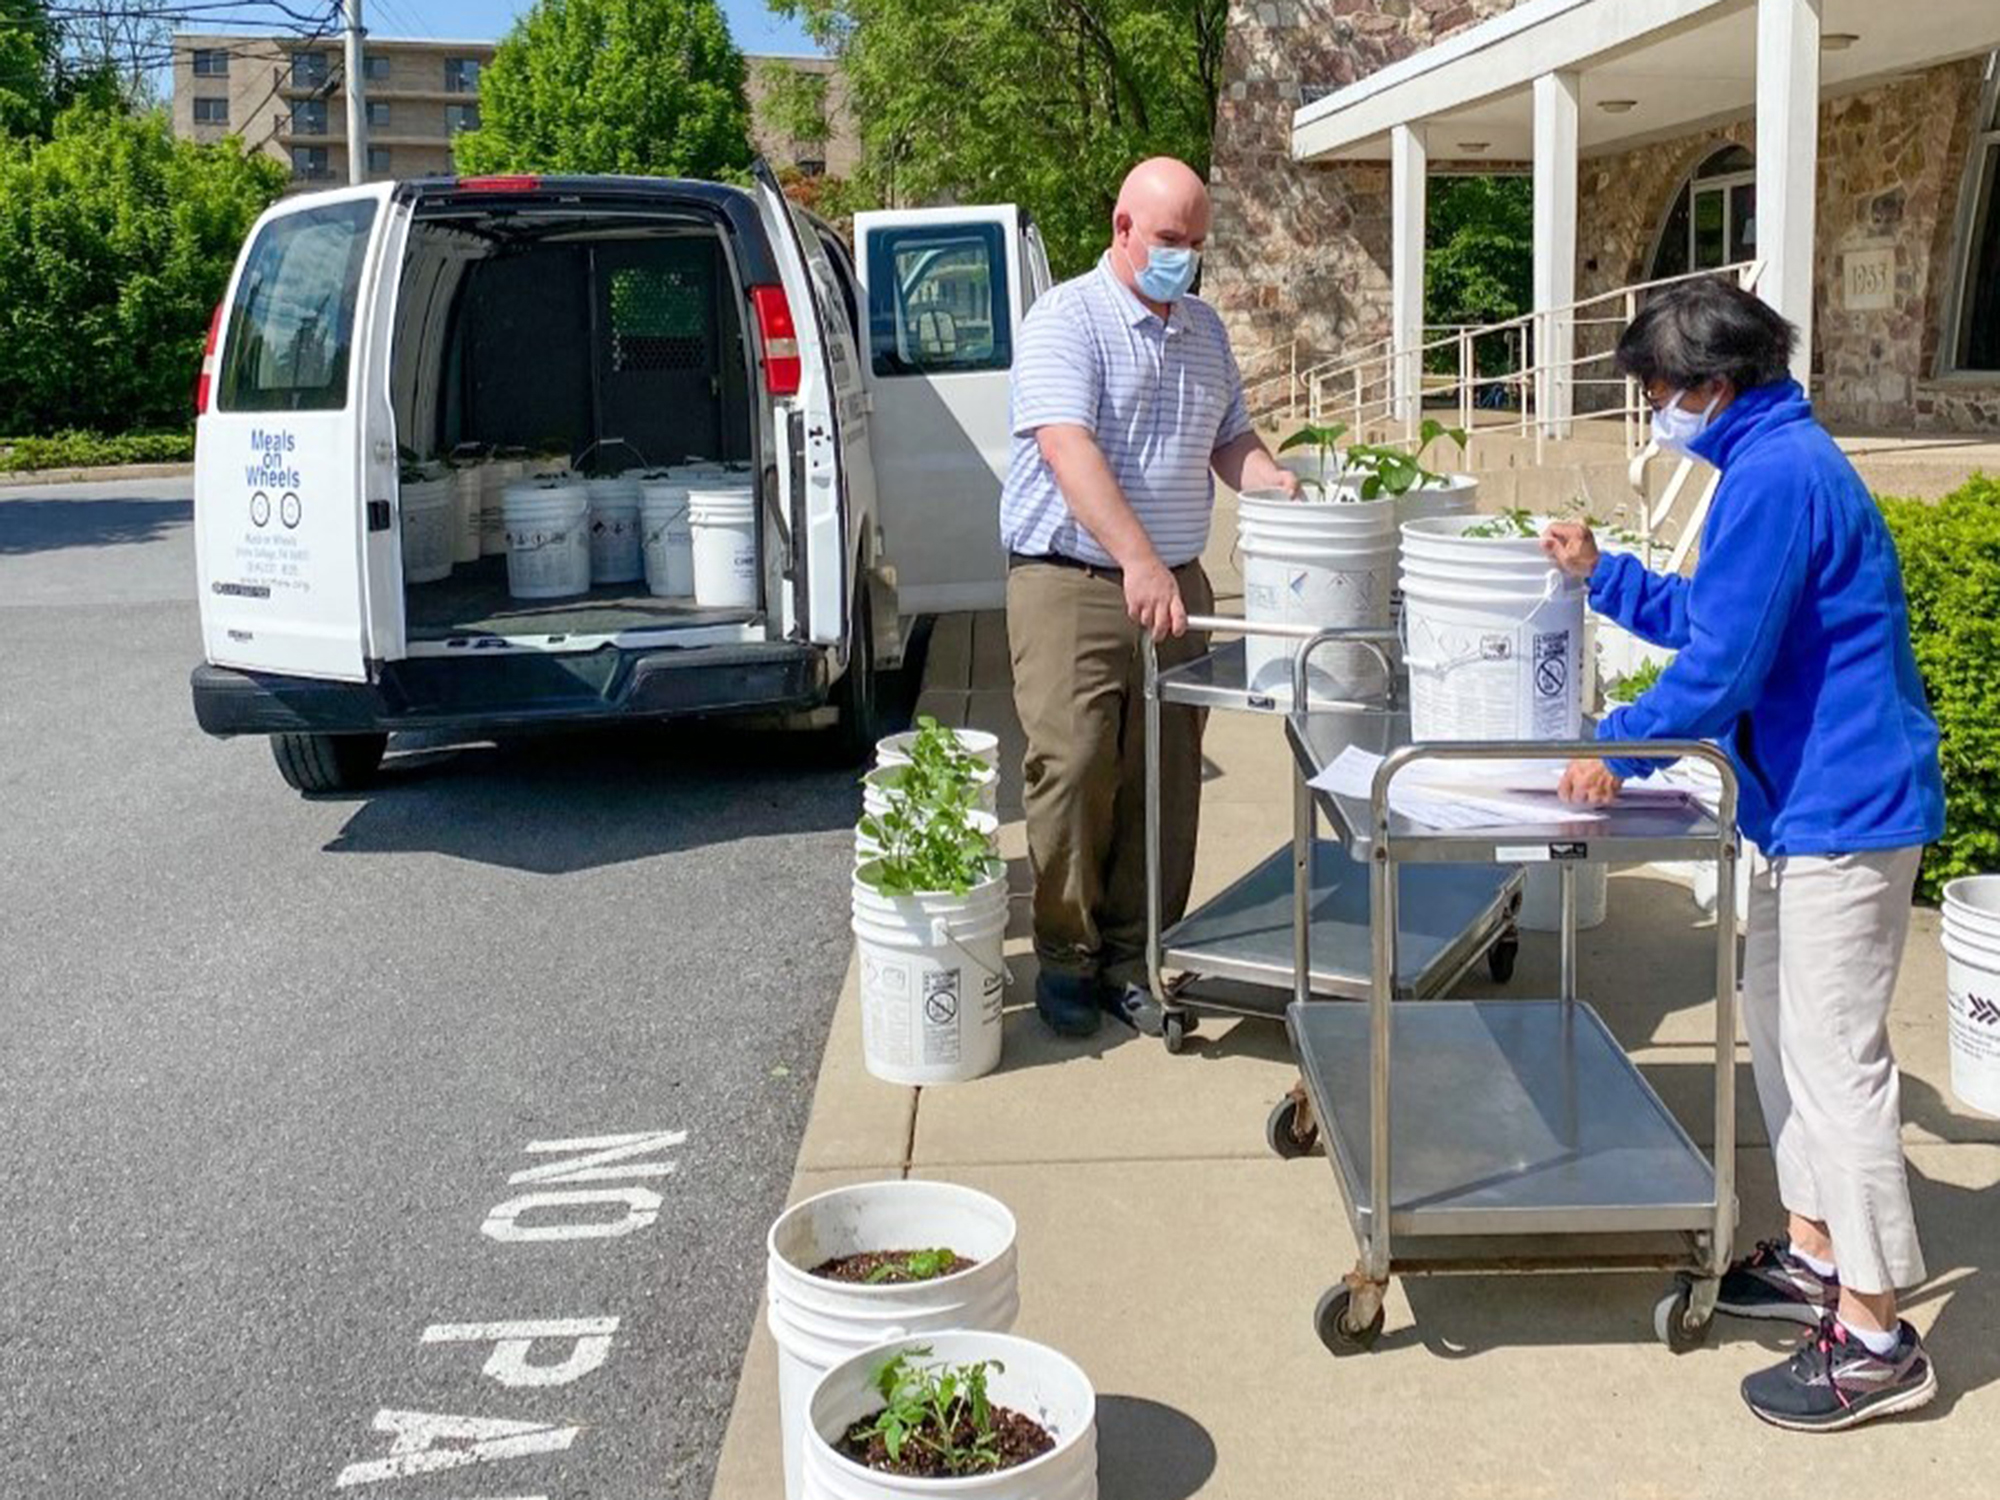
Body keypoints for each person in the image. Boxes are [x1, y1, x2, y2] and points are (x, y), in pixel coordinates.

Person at [1542, 277, 1946, 1432]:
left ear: (1713, 387)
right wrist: (1600, 573)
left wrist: (1607, 755)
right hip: (1806, 810)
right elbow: (1722, 622)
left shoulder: (1775, 477)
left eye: (1658, 390)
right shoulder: (1764, 462)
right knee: (1774, 1021)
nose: (1653, 408)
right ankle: (1816, 1254)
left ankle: (1873, 1337)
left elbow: (1717, 678)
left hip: (1845, 809)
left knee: (1835, 1066)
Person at [1001, 156, 1299, 1037]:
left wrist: (1274, 482)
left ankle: (1136, 954)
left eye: (1197, 245)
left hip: (1176, 584)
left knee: (1165, 776)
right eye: (1171, 241)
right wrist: (1136, 559)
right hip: (1074, 579)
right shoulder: (1067, 319)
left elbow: (1230, 436)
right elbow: (1066, 447)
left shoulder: (1203, 330)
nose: (1186, 259)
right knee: (1077, 762)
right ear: (1122, 227)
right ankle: (1066, 952)